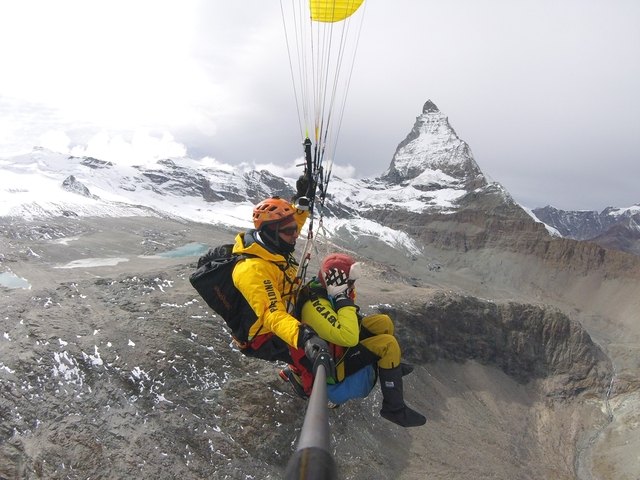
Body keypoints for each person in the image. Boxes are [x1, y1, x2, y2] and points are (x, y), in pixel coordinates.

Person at [281, 253, 426, 428]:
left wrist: (342, 296)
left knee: (383, 322)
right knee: (388, 345)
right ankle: (394, 409)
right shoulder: (315, 306)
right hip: (333, 367)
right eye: (350, 283)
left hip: (338, 347)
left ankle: (391, 368)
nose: (352, 286)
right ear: (338, 282)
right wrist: (343, 299)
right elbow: (348, 337)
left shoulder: (322, 289)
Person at [230, 193, 335, 379]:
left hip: (288, 311)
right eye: (290, 231)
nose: (296, 235)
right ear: (270, 233)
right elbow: (272, 314)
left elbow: (289, 226)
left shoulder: (274, 245)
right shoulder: (253, 269)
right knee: (311, 365)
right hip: (265, 335)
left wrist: (300, 209)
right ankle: (302, 382)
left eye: (295, 229)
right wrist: (304, 336)